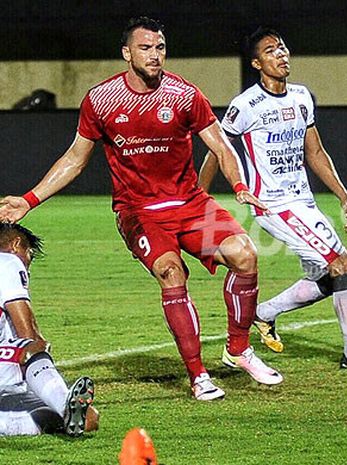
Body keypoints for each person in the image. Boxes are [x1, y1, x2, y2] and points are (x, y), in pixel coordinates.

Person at [0, 17, 283, 401]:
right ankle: (198, 375)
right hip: (139, 211)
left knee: (245, 255)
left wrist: (239, 186)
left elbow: (220, 146)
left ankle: (238, 349)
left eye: (160, 47)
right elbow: (75, 158)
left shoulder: (184, 94)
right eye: (146, 48)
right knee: (171, 273)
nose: (155, 55)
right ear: (127, 53)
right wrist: (29, 199)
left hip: (190, 203)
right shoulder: (100, 100)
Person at [198, 27, 347, 370]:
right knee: (342, 265)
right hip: (273, 205)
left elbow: (315, 152)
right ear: (257, 62)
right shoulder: (245, 106)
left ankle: (264, 313)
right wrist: (199, 199)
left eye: (284, 48)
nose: (282, 54)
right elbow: (217, 152)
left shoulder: (302, 97)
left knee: (331, 275)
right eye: (272, 50)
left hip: (302, 202)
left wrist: (343, 197)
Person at [0, 223, 98, 436]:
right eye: (29, 256)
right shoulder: (7, 261)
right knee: (32, 347)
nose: (28, 265)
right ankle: (66, 406)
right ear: (17, 245)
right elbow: (28, 335)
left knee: (46, 416)